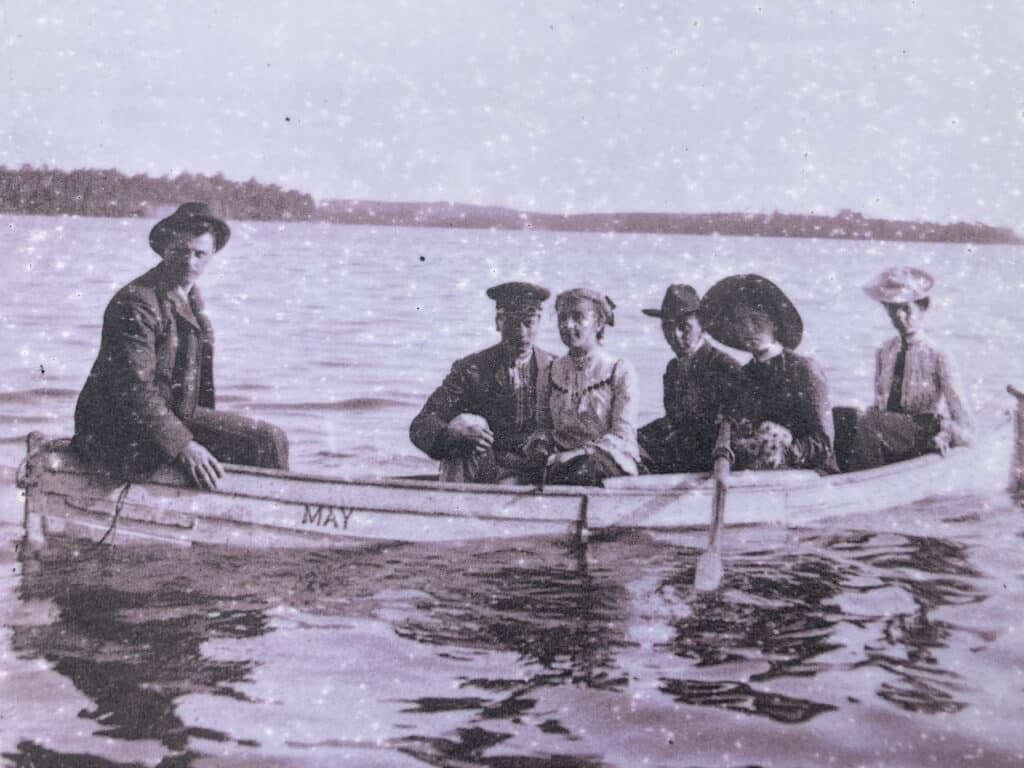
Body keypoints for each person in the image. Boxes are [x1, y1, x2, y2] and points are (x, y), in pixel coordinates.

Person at [72, 202, 289, 490]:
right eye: (181, 251)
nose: (190, 262)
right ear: (165, 249)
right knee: (265, 441)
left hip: (162, 419)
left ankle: (262, 510)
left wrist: (201, 438)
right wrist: (184, 445)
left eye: (200, 254)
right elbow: (134, 389)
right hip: (116, 430)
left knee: (268, 439)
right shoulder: (137, 302)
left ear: (212, 254)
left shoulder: (192, 299)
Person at [409, 282, 554, 483]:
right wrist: (454, 434)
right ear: (498, 322)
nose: (521, 334)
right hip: (486, 471)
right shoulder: (471, 370)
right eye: (512, 323)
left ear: (539, 322)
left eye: (528, 323)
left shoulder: (557, 369)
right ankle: (455, 501)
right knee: (468, 427)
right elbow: (422, 425)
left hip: (540, 474)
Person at [700, 273, 838, 473]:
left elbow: (823, 442)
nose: (748, 329)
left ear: (774, 323)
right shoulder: (743, 375)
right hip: (758, 474)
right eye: (741, 322)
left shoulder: (804, 369)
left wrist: (783, 454)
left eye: (756, 320)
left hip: (810, 474)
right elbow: (732, 428)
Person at [849, 266, 973, 469]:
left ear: (922, 308)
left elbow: (961, 417)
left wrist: (946, 435)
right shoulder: (884, 351)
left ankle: (867, 474)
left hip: (922, 432)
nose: (899, 316)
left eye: (906, 309)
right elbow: (879, 403)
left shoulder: (938, 354)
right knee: (845, 416)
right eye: (893, 310)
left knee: (868, 423)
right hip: (887, 430)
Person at [527, 288, 640, 485]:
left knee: (585, 469)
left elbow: (622, 434)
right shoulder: (550, 371)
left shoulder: (619, 370)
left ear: (599, 323)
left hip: (607, 460)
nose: (567, 325)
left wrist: (577, 454)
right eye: (562, 318)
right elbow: (544, 427)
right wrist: (541, 447)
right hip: (562, 459)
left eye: (578, 317)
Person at [637, 284, 741, 473]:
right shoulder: (673, 369)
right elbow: (673, 421)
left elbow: (734, 429)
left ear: (703, 326)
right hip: (681, 450)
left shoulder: (725, 367)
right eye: (667, 327)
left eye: (683, 327)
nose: (675, 335)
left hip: (714, 460)